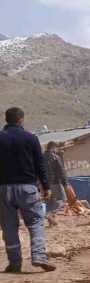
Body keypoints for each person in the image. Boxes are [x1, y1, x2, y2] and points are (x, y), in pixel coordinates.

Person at [0, 107, 56, 273]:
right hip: (27, 188)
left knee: (8, 226)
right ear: (21, 120)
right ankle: (38, 256)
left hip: (3, 189)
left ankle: (15, 262)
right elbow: (40, 165)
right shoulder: (31, 138)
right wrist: (46, 187)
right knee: (35, 222)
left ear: (6, 120)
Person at [44, 141, 68, 226]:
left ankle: (51, 222)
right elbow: (61, 171)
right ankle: (49, 214)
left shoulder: (41, 157)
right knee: (62, 200)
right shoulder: (55, 157)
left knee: (49, 202)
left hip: (44, 184)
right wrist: (65, 183)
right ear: (53, 147)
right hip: (55, 182)